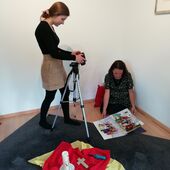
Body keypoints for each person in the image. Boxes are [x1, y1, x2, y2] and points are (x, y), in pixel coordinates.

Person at [35, 2, 85, 129]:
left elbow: (55, 49)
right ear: (55, 15)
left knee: (65, 92)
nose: (62, 22)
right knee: (50, 96)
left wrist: (71, 53)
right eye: (62, 19)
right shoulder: (43, 28)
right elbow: (53, 53)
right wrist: (74, 57)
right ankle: (42, 120)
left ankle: (67, 118)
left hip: (57, 65)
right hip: (51, 66)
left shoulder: (49, 26)